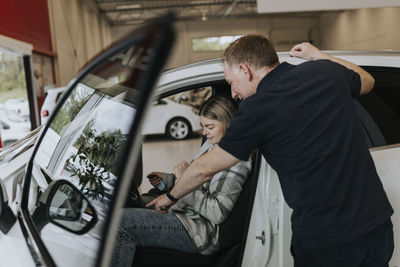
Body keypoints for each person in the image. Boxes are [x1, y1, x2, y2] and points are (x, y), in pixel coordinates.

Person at [148, 35, 394, 267]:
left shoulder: (255, 110)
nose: (233, 93)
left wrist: (170, 197)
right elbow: (367, 81)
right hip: (377, 227)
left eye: (231, 82)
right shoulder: (323, 71)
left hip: (327, 241)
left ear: (245, 70)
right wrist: (319, 55)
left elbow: (204, 169)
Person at [111, 95, 252, 266]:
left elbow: (217, 213)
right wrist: (168, 180)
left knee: (120, 222)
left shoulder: (237, 162)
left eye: (210, 127)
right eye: (203, 127)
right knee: (135, 204)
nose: (204, 132)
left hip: (199, 230)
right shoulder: (212, 146)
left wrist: (181, 177)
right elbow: (195, 181)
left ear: (228, 123)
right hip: (186, 213)